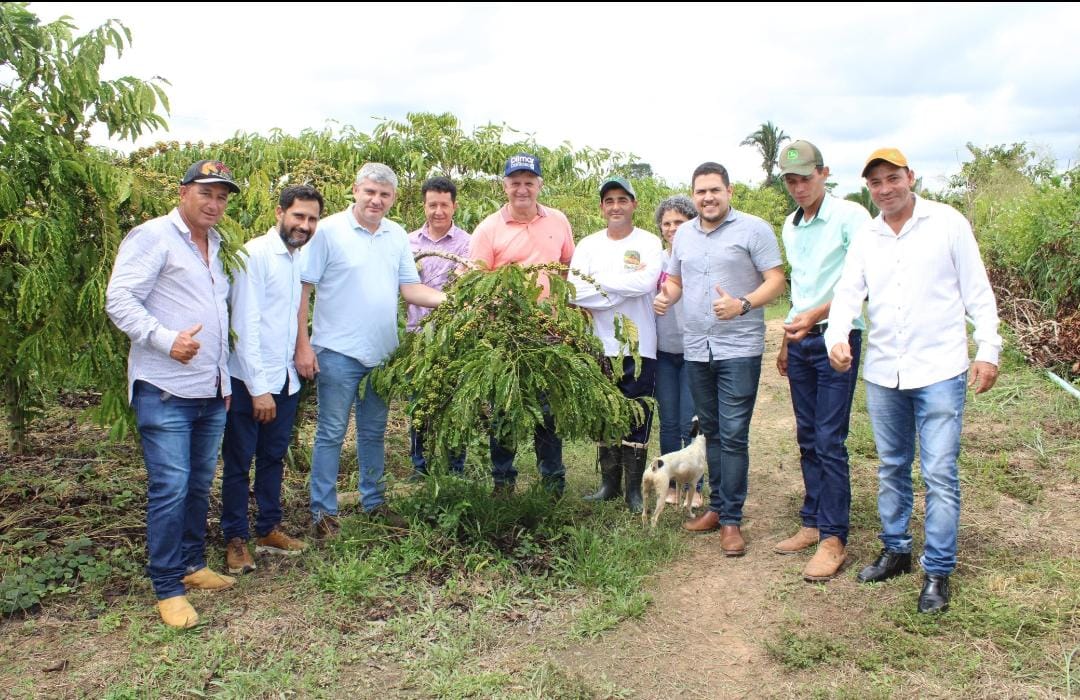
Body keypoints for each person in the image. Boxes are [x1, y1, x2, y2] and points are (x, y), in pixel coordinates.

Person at [826, 148, 1001, 613]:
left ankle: (938, 570)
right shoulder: (868, 234)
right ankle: (896, 549)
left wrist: (988, 349)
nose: (884, 189)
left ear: (910, 177)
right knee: (892, 465)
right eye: (875, 183)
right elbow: (848, 293)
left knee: (940, 471)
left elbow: (977, 292)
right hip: (885, 370)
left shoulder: (947, 223)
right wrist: (837, 336)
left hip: (940, 368)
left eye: (892, 179)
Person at [106, 159, 241, 629]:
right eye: (206, 193)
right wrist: (166, 339)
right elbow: (119, 299)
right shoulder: (152, 237)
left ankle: (191, 564)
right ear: (183, 192)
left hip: (210, 390)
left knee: (198, 484)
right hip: (165, 389)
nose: (214, 204)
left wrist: (222, 380)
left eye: (222, 197)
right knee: (170, 487)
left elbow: (218, 316)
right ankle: (167, 586)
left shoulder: (218, 244)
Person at [296, 163, 446, 539]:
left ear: (393, 198)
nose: (376, 200)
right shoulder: (328, 231)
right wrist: (302, 345)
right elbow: (303, 290)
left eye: (384, 195)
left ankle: (373, 502)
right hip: (336, 351)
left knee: (373, 432)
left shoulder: (396, 235)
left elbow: (411, 289)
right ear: (355, 191)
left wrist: (456, 302)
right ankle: (323, 514)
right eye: (370, 192)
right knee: (330, 433)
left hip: (381, 355)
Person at [654, 162, 785, 556]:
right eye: (701, 191)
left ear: (729, 191)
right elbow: (676, 280)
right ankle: (716, 507)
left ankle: (731, 520)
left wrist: (743, 304)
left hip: (739, 348)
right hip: (697, 348)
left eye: (715, 190)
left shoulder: (754, 229)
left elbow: (776, 280)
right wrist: (668, 296)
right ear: (693, 195)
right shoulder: (685, 237)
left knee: (733, 433)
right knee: (709, 430)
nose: (708, 197)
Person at [773, 141, 872, 582]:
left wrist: (817, 316)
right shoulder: (791, 226)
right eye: (790, 180)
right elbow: (801, 289)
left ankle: (835, 538)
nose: (798, 187)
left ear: (824, 173)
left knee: (831, 438)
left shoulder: (851, 217)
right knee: (807, 435)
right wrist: (787, 339)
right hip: (800, 341)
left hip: (838, 338)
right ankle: (812, 521)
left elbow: (862, 281)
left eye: (805, 178)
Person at [221, 185, 324, 575]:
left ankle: (267, 528)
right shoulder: (256, 255)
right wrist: (258, 388)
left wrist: (301, 352)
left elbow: (293, 314)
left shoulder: (297, 258)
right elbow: (244, 325)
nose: (305, 225)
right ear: (280, 212)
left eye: (312, 219)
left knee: (273, 457)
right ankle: (235, 538)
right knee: (237, 462)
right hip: (252, 380)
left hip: (284, 379)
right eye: (299, 216)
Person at [468, 152, 575, 495]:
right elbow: (477, 284)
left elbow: (569, 266)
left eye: (529, 182)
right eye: (515, 183)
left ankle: (552, 482)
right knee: (504, 408)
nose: (522, 189)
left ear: (540, 185)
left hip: (550, 333)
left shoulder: (558, 221)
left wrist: (569, 313)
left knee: (548, 412)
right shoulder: (488, 229)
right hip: (506, 335)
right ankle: (502, 480)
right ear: (505, 186)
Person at [571, 177, 663, 512]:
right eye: (609, 200)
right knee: (604, 414)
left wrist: (599, 288)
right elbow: (575, 291)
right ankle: (608, 484)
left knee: (637, 413)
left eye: (623, 199)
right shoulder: (588, 245)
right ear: (601, 207)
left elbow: (645, 282)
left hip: (640, 346)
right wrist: (621, 289)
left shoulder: (650, 243)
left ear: (634, 204)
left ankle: (633, 491)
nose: (616, 206)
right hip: (599, 343)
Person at [407, 176, 471, 477]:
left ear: (454, 206)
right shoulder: (408, 242)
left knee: (455, 403)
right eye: (432, 205)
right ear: (424, 206)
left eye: (444, 204)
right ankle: (420, 468)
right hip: (417, 337)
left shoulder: (468, 243)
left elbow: (466, 287)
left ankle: (455, 469)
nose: (438, 211)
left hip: (456, 338)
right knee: (420, 405)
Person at [652, 195, 702, 508]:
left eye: (679, 223)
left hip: (694, 350)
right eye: (667, 223)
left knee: (691, 422)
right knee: (668, 421)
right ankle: (668, 484)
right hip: (663, 350)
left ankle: (696, 487)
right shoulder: (654, 260)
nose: (672, 228)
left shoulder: (700, 257)